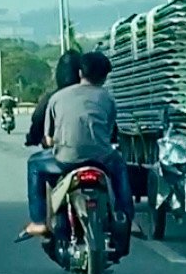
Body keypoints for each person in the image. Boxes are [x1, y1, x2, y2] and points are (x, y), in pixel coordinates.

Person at [21, 51, 134, 246]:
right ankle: (127, 216)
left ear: (80, 72)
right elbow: (109, 131)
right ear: (105, 77)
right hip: (102, 158)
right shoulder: (107, 98)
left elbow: (47, 137)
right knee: (120, 167)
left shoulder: (56, 98)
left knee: (34, 165)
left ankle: (39, 221)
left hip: (66, 158)